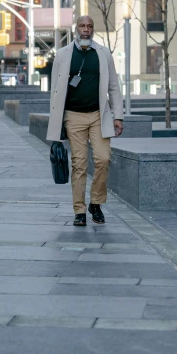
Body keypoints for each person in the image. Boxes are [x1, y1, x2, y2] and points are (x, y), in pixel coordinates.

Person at [47, 15, 124, 227]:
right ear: (76, 29)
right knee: (79, 164)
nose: (86, 30)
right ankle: (79, 210)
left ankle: (96, 203)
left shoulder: (103, 53)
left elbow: (114, 87)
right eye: (82, 26)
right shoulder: (63, 55)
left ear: (93, 29)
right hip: (73, 117)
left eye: (90, 26)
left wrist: (118, 116)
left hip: (99, 116)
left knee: (103, 159)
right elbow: (55, 90)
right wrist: (57, 123)